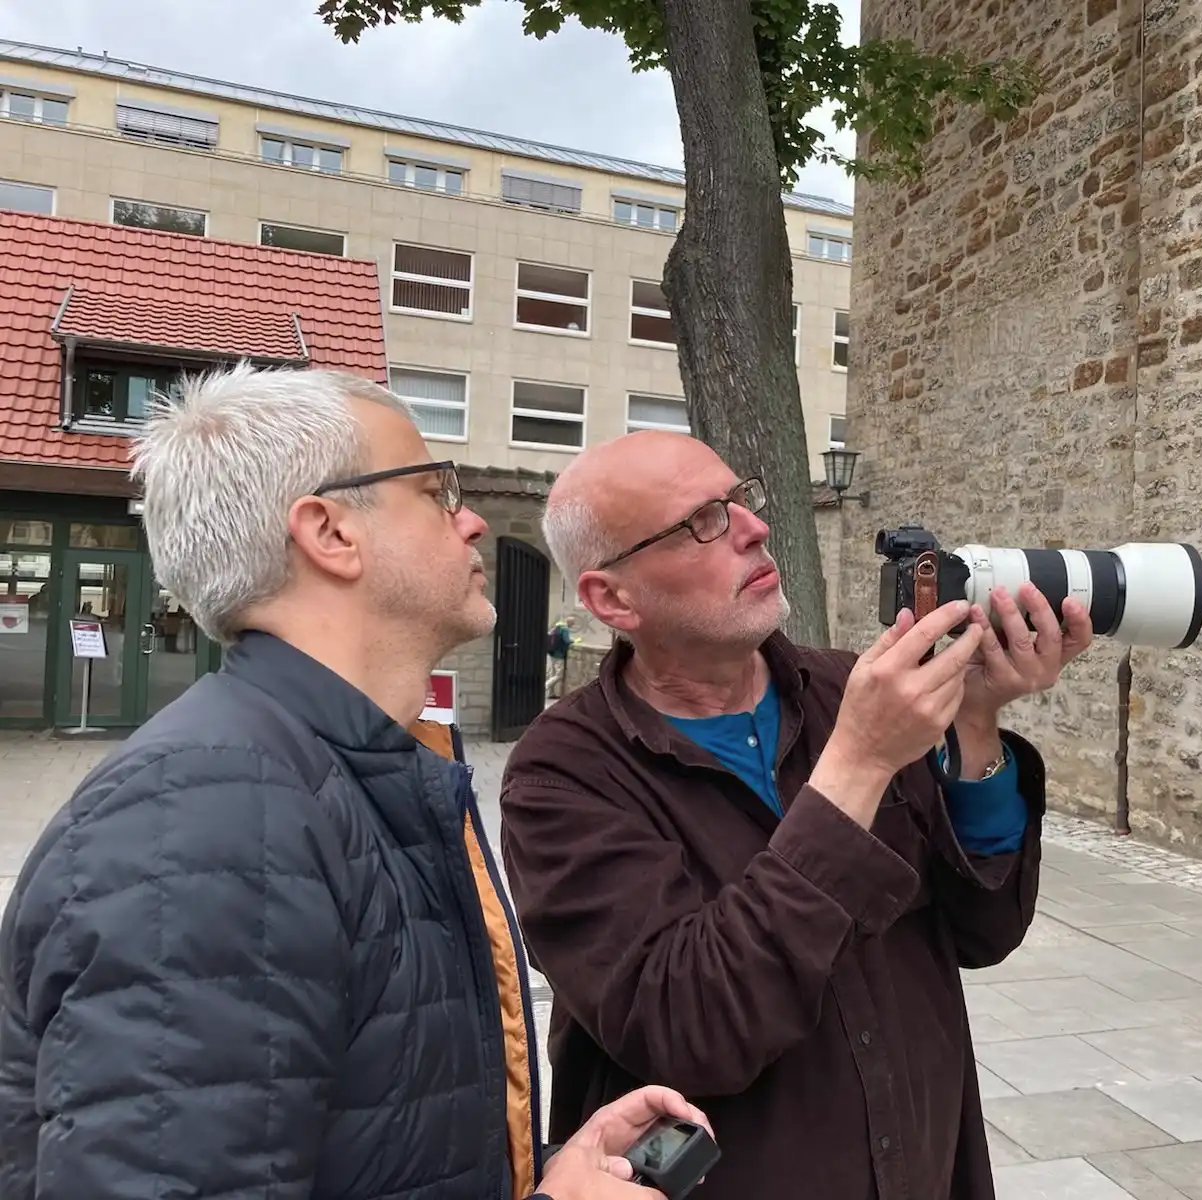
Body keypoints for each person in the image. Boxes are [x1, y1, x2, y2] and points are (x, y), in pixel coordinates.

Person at [0, 365, 705, 1199]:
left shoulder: (354, 776)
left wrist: (539, 1174)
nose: (472, 521)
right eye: (437, 492)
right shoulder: (209, 817)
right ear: (330, 532)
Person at [498, 430, 1093, 1200]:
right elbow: (689, 1026)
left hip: (923, 1163)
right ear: (613, 598)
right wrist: (861, 763)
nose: (753, 527)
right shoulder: (564, 772)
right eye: (703, 522)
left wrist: (976, 724)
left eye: (741, 500)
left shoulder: (848, 688)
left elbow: (983, 931)